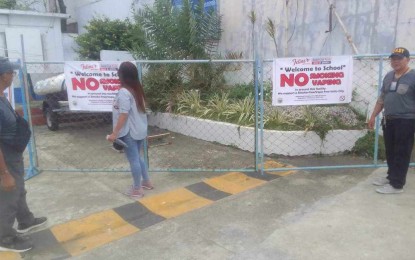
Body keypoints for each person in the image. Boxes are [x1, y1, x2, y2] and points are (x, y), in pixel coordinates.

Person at [0, 57, 47, 252]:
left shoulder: (2, 96)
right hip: (5, 158)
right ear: (4, 75)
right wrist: (4, 173)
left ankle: (25, 220)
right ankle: (5, 237)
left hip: (12, 153)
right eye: (12, 73)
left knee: (19, 189)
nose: (13, 76)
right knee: (8, 194)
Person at [368, 47, 415, 194]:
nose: (395, 61)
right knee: (391, 151)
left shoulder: (413, 77)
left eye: (399, 58)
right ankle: (391, 177)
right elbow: (382, 98)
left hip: (406, 121)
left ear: (408, 60)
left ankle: (397, 185)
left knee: (402, 152)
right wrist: (373, 116)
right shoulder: (389, 76)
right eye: (393, 59)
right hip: (389, 120)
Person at [107, 61, 153, 198]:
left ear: (122, 75)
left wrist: (114, 133)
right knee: (137, 157)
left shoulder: (124, 92)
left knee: (133, 159)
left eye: (119, 72)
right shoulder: (137, 90)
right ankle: (146, 182)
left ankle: (137, 189)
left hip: (129, 132)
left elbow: (123, 114)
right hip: (139, 130)